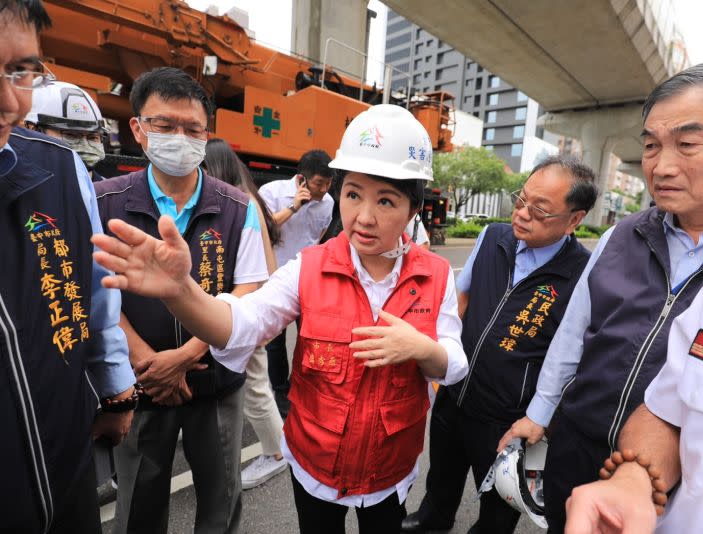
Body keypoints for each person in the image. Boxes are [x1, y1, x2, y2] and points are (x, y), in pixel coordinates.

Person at [92, 103, 469, 534]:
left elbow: (453, 364)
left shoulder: (435, 275)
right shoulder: (308, 268)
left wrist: (424, 350)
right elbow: (240, 323)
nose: (364, 217)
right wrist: (182, 291)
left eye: (386, 200)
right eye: (353, 195)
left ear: (414, 208)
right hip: (313, 464)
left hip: (389, 470)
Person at [497, 59, 703, 533]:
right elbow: (573, 335)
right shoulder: (623, 235)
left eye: (687, 144)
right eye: (652, 146)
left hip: (682, 490)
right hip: (578, 454)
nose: (661, 165)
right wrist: (540, 413)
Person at [93, 67, 267, 534]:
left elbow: (250, 291)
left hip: (213, 384)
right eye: (165, 126)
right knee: (138, 504)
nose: (179, 138)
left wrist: (187, 355)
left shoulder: (237, 207)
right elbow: (96, 295)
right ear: (137, 129)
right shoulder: (103, 201)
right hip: (143, 384)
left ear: (206, 136)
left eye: (192, 130)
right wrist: (150, 361)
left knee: (220, 501)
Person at [403, 156, 597, 534]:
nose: (522, 214)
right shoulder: (493, 237)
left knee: (498, 503)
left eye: (540, 210)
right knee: (441, 474)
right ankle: (432, 519)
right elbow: (460, 303)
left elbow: (572, 356)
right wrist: (439, 365)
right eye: (521, 200)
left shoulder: (581, 275)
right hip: (455, 393)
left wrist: (541, 418)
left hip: (507, 417)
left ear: (575, 219)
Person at [0, 1, 136, 532]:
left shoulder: (58, 168)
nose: (11, 102)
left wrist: (116, 390)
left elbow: (94, 295)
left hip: (67, 466)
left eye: (21, 72)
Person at [203, 137, 288, 489]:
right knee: (252, 382)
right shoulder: (246, 197)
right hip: (248, 305)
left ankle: (276, 453)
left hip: (248, 307)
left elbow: (259, 266)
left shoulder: (239, 202)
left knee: (254, 384)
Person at [258, 149, 334, 417]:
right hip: (276, 278)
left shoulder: (328, 203)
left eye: (328, 183)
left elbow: (318, 237)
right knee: (275, 343)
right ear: (302, 179)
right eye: (318, 183)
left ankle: (303, 387)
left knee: (310, 337)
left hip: (309, 279)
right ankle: (281, 392)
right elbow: (264, 228)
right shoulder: (272, 191)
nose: (324, 189)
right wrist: (294, 206)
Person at [24, 79, 108, 181]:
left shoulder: (110, 193)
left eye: (93, 137)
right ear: (33, 131)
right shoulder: (10, 188)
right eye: (71, 135)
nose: (85, 146)